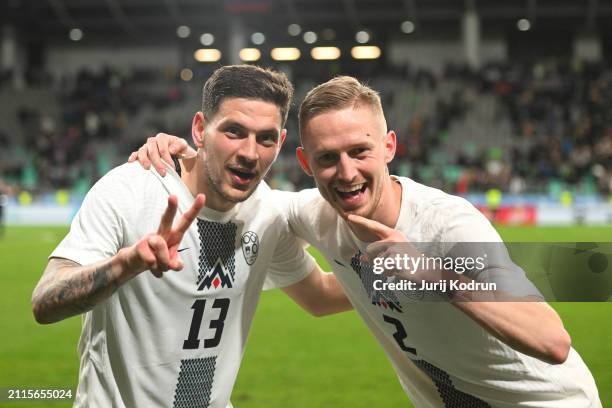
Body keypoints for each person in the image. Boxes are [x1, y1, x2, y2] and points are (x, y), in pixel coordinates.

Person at [137, 76, 601, 407]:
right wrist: (179, 151)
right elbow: (318, 297)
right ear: (304, 161)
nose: (346, 172)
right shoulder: (312, 215)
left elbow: (552, 340)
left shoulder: (449, 229)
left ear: (389, 147)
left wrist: (430, 276)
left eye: (360, 151)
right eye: (327, 158)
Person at [32, 65, 351, 408]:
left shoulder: (266, 213)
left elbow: (321, 297)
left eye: (265, 138)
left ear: (281, 142)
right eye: (234, 131)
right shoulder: (130, 191)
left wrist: (404, 276)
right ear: (200, 129)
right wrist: (126, 264)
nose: (249, 152)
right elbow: (45, 302)